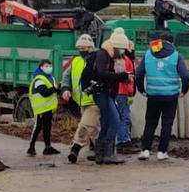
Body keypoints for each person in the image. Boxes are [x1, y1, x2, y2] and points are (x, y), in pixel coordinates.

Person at [136, 33, 189, 161]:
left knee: (150, 123)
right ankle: (162, 152)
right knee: (167, 124)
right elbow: (185, 76)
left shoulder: (148, 54)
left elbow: (139, 74)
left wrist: (141, 90)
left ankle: (145, 150)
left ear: (159, 41)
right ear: (172, 43)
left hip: (153, 95)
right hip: (170, 97)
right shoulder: (176, 56)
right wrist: (184, 90)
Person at [87, 29, 132, 164]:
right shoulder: (104, 55)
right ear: (116, 47)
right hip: (102, 92)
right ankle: (108, 153)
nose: (123, 52)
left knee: (107, 122)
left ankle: (100, 154)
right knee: (115, 121)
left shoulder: (109, 56)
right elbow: (102, 73)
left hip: (106, 93)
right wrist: (122, 76)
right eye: (122, 49)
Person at [62, 34, 99, 163]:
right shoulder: (76, 61)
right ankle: (99, 150)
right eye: (79, 48)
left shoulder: (97, 60)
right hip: (81, 101)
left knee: (85, 125)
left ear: (90, 48)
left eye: (84, 48)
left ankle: (75, 148)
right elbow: (67, 77)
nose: (81, 50)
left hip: (94, 100)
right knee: (93, 127)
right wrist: (65, 89)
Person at [26, 59, 60, 156]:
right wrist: (55, 88)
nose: (49, 68)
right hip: (40, 109)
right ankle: (31, 148)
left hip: (48, 107)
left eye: (50, 66)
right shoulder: (38, 79)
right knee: (38, 127)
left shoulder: (51, 78)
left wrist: (59, 89)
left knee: (47, 127)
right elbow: (44, 92)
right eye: (46, 66)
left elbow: (53, 91)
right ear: (41, 67)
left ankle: (48, 147)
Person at [114, 38, 137, 153]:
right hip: (123, 92)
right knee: (125, 117)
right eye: (131, 48)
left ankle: (119, 140)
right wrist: (130, 93)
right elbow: (129, 78)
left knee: (118, 116)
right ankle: (124, 140)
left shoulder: (115, 59)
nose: (132, 50)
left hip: (115, 91)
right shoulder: (127, 60)